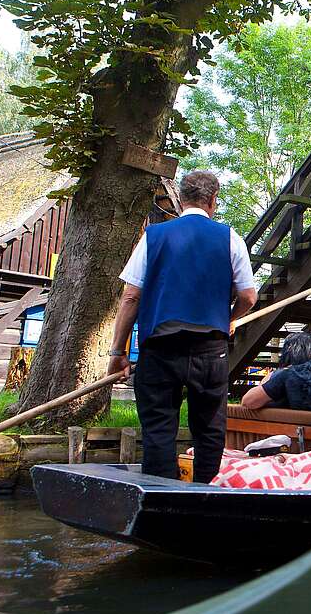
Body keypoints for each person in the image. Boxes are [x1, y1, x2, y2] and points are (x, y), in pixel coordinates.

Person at [106, 170, 257, 485]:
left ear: (181, 199)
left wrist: (118, 352)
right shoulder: (231, 238)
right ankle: (205, 496)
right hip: (210, 349)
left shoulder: (153, 237)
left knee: (159, 429)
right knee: (209, 429)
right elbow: (248, 297)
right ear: (213, 200)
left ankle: (160, 498)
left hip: (161, 347)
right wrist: (229, 318)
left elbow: (131, 297)